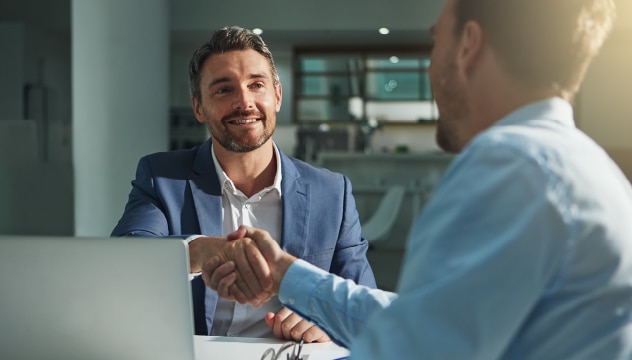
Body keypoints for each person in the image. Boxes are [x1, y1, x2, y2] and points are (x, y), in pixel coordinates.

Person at [204, 0, 632, 358]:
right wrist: (287, 274)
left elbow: (410, 350)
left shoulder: (510, 167)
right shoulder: (582, 166)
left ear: (468, 47)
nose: (430, 67)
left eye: (435, 42)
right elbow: (428, 321)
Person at [111, 25, 376, 342]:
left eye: (256, 85)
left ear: (277, 96)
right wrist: (204, 251)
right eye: (224, 90)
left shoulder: (332, 193)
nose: (244, 101)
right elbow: (125, 260)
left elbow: (365, 307)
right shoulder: (160, 177)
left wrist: (329, 324)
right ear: (198, 107)